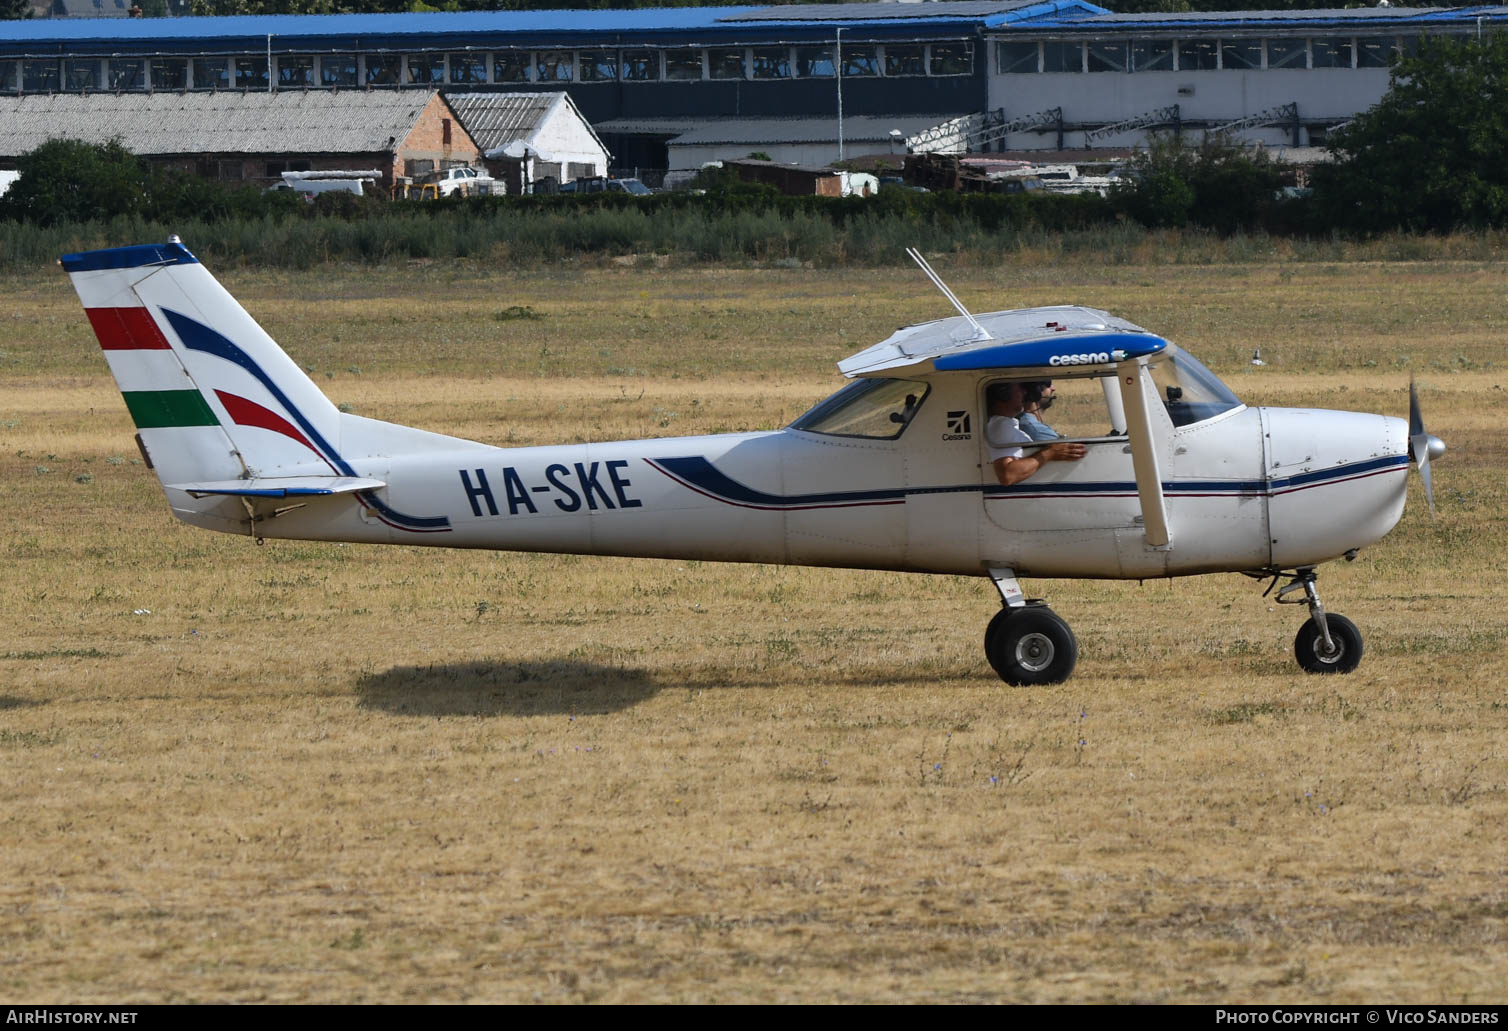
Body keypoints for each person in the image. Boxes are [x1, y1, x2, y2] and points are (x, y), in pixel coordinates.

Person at [985, 381, 1086, 486]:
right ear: (1003, 394)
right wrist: (1050, 453)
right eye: (1020, 389)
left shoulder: (1005, 424)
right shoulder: (1001, 426)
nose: (1025, 393)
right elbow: (1008, 475)